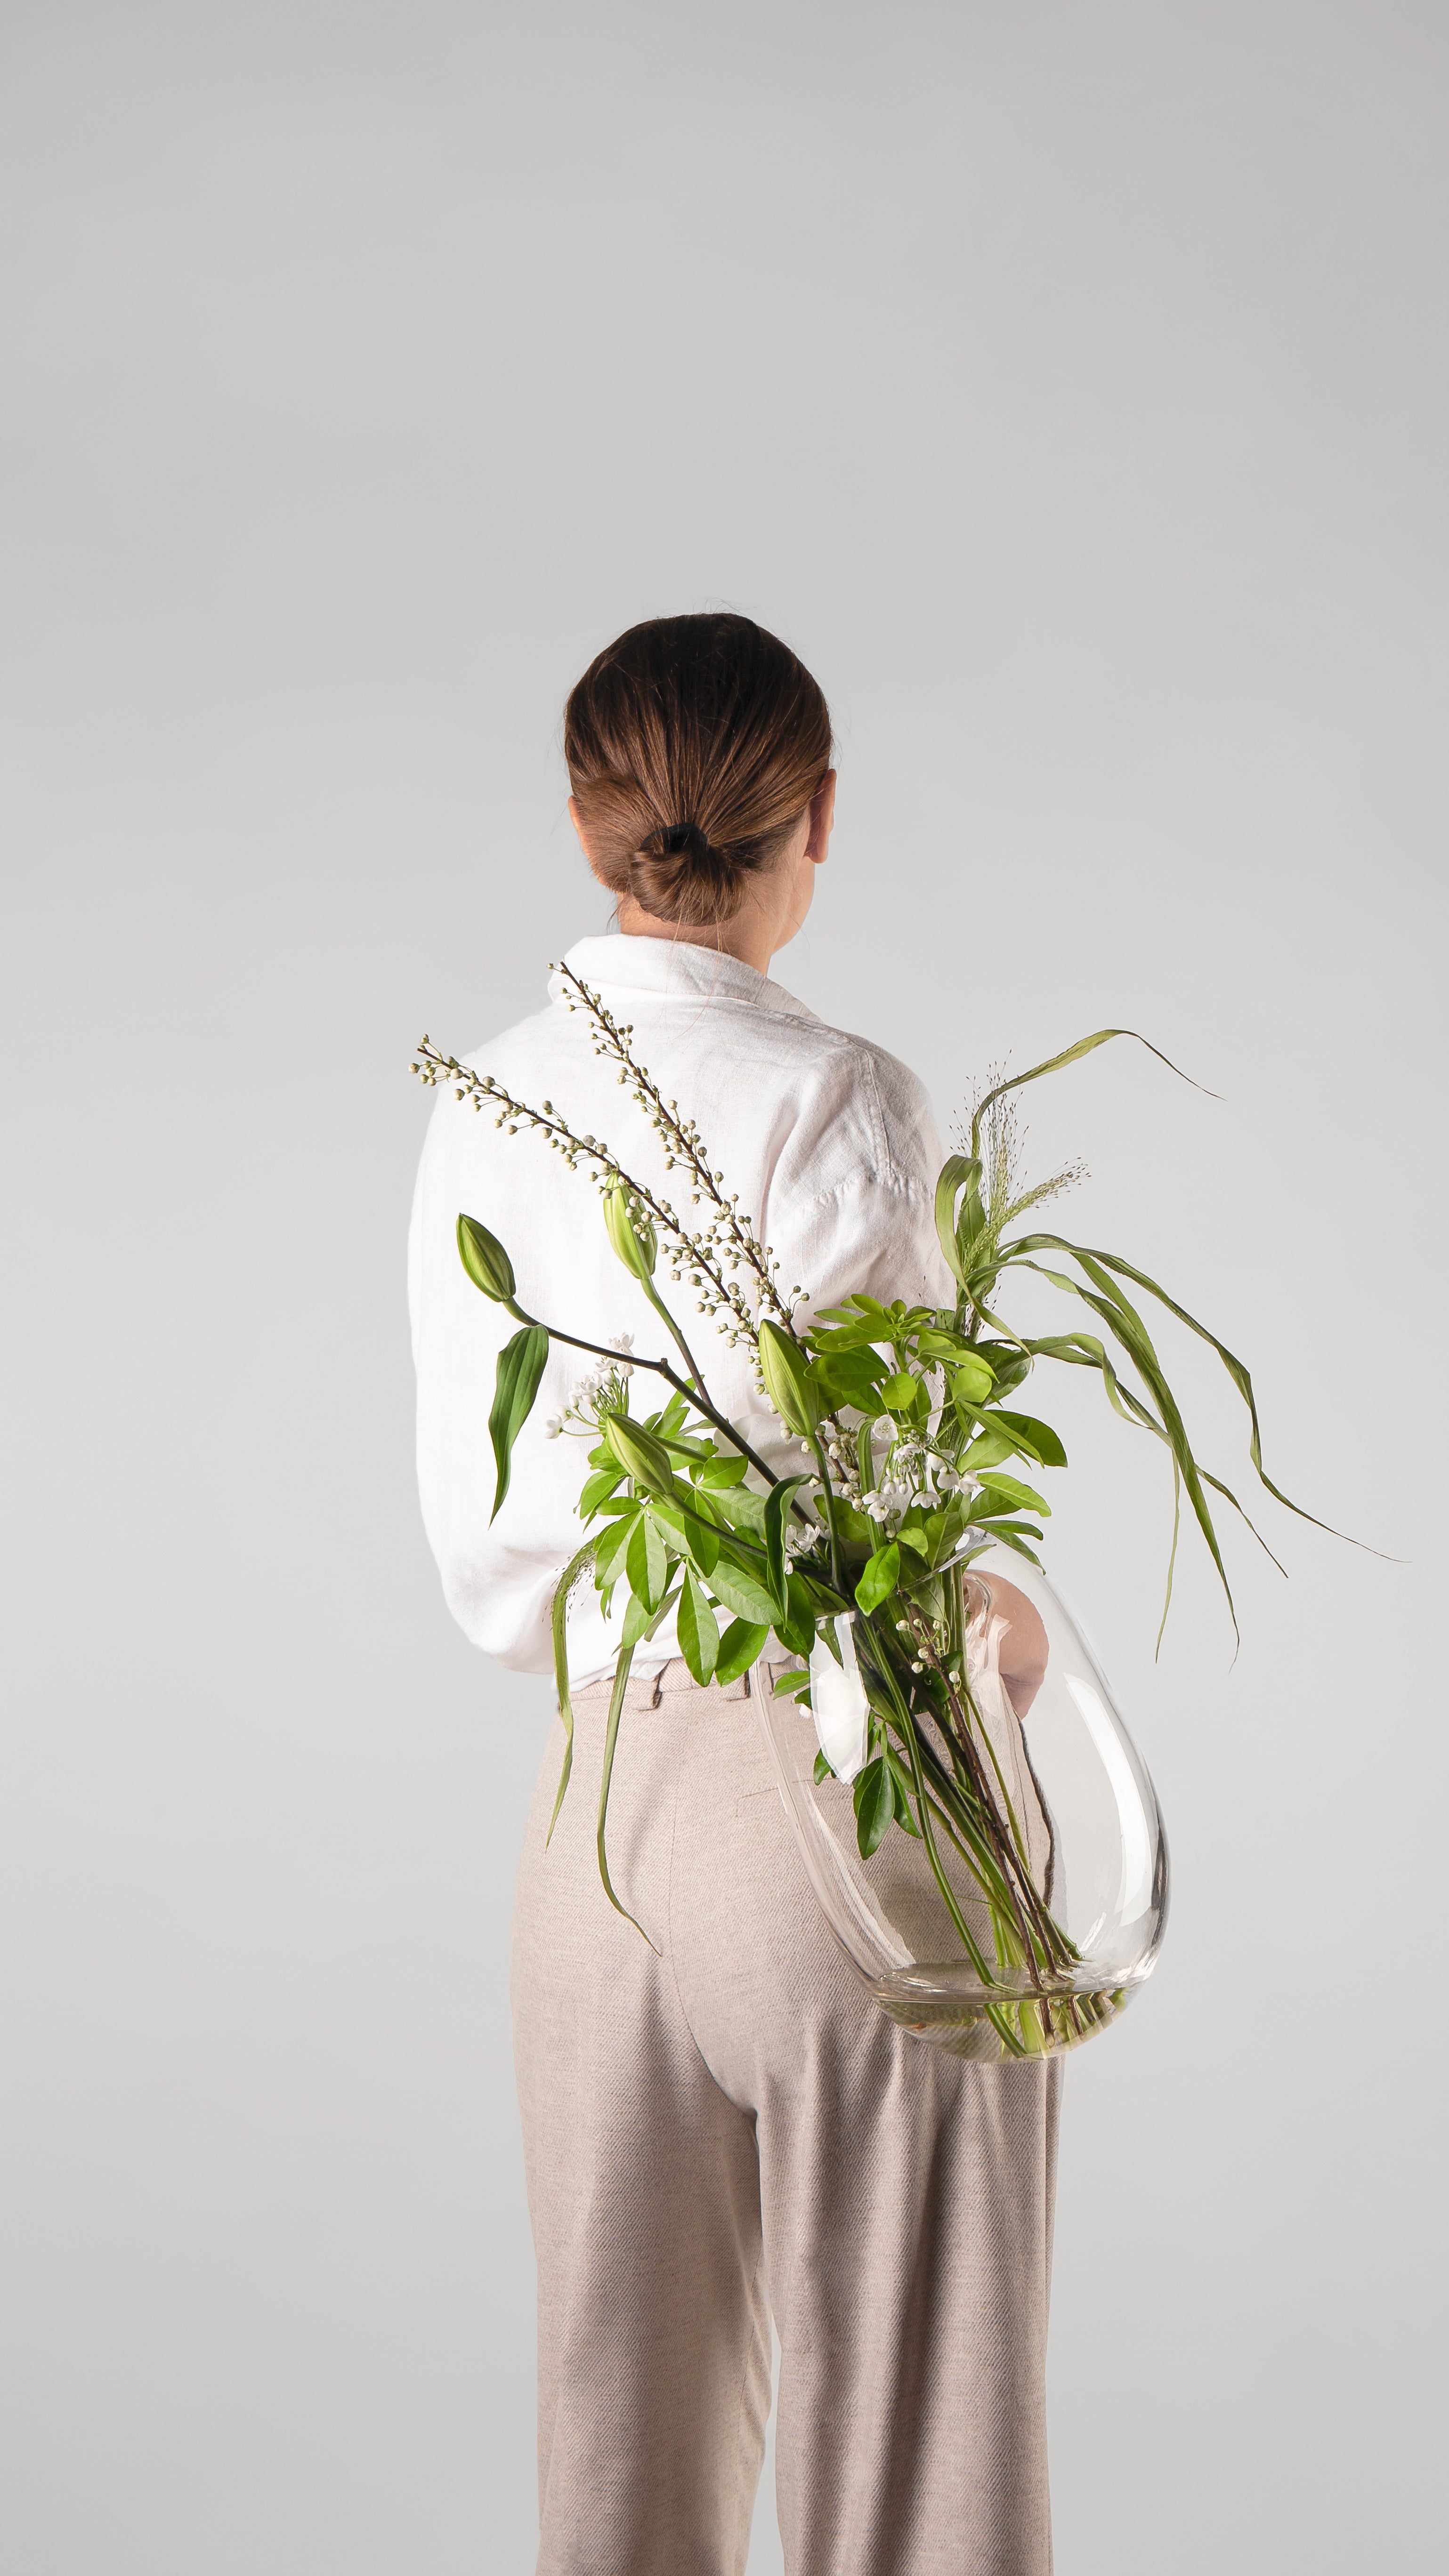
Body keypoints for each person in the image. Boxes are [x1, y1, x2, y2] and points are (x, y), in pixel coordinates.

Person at [408, 614, 1060, 2576]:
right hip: (842, 1787)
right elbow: (882, 1504)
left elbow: (491, 1531)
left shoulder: (484, 1102)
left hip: (596, 1818)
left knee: (621, 2470)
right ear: (818, 815)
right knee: (918, 2472)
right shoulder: (839, 1091)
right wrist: (998, 1624)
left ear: (589, 823)